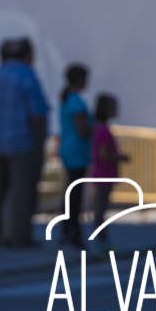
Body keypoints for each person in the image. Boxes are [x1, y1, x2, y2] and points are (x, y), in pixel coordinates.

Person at [0, 38, 49, 248]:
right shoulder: (26, 76)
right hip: (23, 143)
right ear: (28, 55)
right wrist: (40, 141)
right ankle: (20, 236)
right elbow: (38, 113)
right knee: (22, 192)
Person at [88, 93, 127, 255]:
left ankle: (102, 242)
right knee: (100, 211)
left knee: (100, 209)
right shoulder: (103, 130)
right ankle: (101, 243)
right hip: (104, 174)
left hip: (104, 174)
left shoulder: (100, 128)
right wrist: (120, 157)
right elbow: (104, 153)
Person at [58, 64, 92, 248]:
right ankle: (73, 231)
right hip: (77, 151)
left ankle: (66, 230)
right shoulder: (76, 103)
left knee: (70, 192)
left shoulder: (67, 100)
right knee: (75, 195)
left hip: (69, 148)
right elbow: (83, 129)